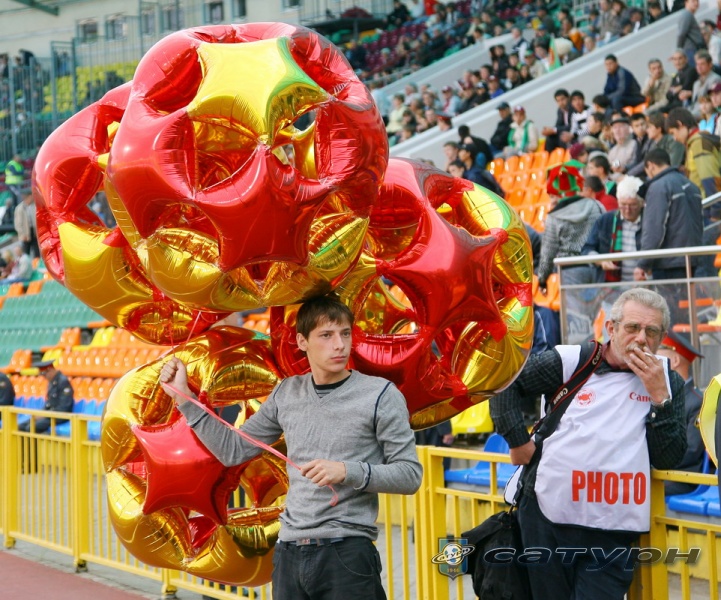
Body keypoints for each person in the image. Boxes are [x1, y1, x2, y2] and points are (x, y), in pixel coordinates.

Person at [160, 294, 423, 600]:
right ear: (302, 341)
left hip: (347, 553)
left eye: (345, 334)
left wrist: (346, 471)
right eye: (326, 335)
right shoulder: (286, 392)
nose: (339, 345)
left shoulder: (380, 394)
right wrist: (184, 398)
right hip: (289, 553)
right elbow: (233, 450)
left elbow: (410, 475)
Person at [490, 287, 686, 600]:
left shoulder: (667, 380)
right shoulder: (573, 361)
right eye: (632, 327)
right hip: (547, 516)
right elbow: (505, 382)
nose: (641, 339)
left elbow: (668, 457)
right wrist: (518, 441)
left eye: (651, 332)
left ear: (661, 338)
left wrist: (659, 398)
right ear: (611, 328)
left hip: (613, 528)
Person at [636, 147, 703, 282]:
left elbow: (654, 229)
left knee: (668, 297)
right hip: (692, 259)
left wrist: (643, 263)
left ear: (651, 165)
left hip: (668, 262)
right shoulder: (692, 186)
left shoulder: (658, 187)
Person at [536, 163, 603, 293]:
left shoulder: (554, 217)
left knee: (574, 307)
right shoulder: (596, 206)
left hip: (570, 270)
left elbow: (548, 252)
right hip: (597, 266)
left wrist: (542, 279)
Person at [657, 331, 706, 496]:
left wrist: (655, 462)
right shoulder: (659, 396)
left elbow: (691, 450)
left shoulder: (697, 402)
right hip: (663, 474)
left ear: (675, 361)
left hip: (683, 479)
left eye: (658, 356)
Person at [582, 176, 644, 283]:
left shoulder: (649, 221)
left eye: (632, 205)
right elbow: (587, 249)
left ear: (641, 203)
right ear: (618, 201)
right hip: (611, 284)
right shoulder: (606, 220)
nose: (627, 210)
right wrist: (601, 261)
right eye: (623, 205)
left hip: (643, 283)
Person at [666, 106, 721, 199]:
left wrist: (715, 207)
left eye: (673, 133)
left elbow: (709, 179)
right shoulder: (693, 143)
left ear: (679, 124)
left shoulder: (698, 143)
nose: (674, 138)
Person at [18, 359, 74, 434]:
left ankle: (33, 442)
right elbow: (49, 404)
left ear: (50, 370)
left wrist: (44, 415)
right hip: (50, 414)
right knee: (21, 426)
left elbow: (63, 408)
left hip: (60, 416)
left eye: (44, 374)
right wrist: (41, 413)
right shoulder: (52, 381)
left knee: (31, 428)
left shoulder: (63, 382)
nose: (44, 377)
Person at [689, 50, 721, 118]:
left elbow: (711, 104)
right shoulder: (696, 83)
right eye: (697, 64)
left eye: (702, 64)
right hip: (693, 113)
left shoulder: (715, 79)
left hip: (706, 114)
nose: (699, 67)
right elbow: (693, 104)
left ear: (710, 64)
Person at [677, 0, 706, 65]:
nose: (696, 3)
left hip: (694, 49)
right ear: (686, 2)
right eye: (693, 1)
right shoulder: (686, 14)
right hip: (691, 49)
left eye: (697, 1)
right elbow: (681, 33)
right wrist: (678, 50)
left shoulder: (688, 14)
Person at [13, 191, 39, 258]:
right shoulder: (19, 208)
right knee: (26, 253)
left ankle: (36, 263)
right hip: (25, 234)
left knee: (37, 252)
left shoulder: (35, 205)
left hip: (35, 232)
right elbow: (17, 224)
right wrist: (22, 234)